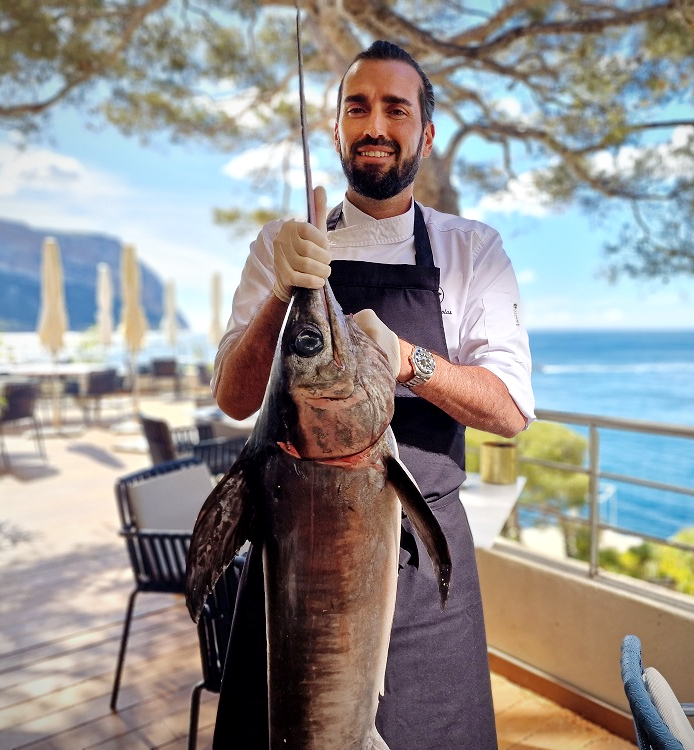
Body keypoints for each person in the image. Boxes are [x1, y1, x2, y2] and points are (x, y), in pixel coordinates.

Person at [210, 40, 535, 749]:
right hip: (293, 566)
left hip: (421, 562)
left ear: (425, 132)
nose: (375, 125)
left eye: (396, 107)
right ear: (335, 130)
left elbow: (509, 411)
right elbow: (233, 396)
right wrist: (279, 299)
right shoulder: (279, 244)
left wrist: (410, 361)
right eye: (357, 107)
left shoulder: (471, 251)